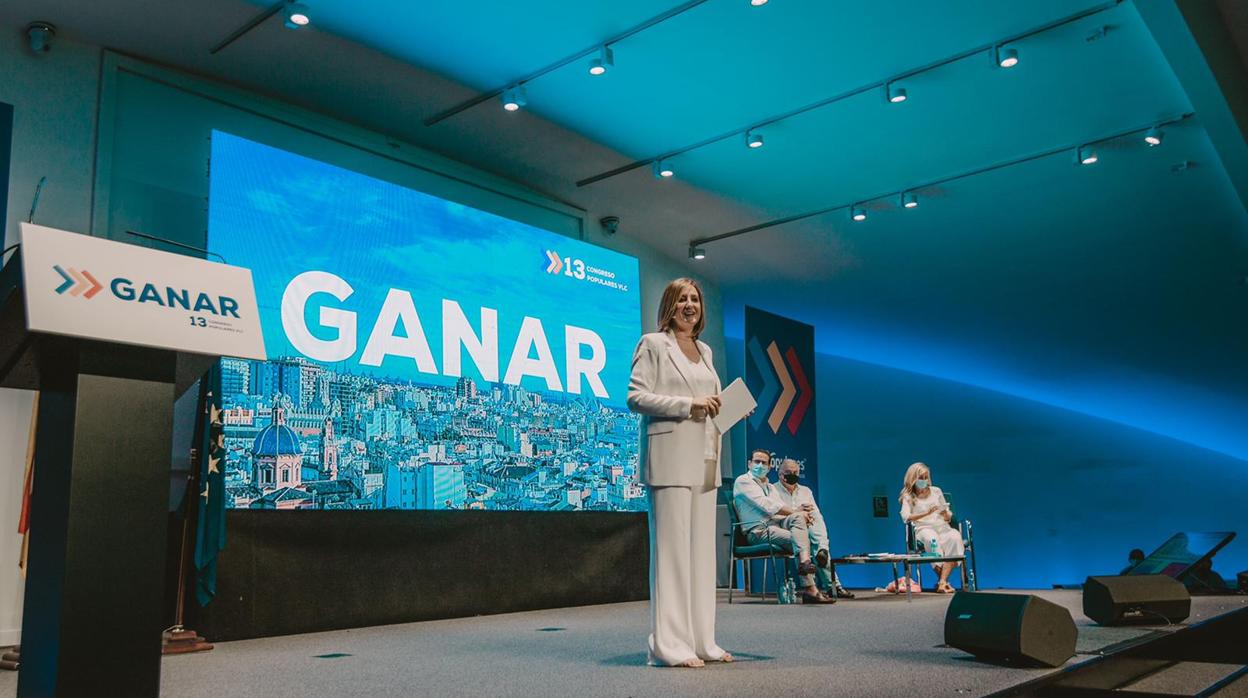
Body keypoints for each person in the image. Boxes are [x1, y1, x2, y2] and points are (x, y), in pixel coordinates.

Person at [627, 278, 733, 668]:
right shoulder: (652, 344)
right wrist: (690, 405)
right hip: (670, 456)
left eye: (696, 299)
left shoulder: (704, 350)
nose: (690, 305)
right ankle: (669, 645)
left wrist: (730, 406)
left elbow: (711, 402)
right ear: (670, 305)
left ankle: (702, 640)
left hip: (705, 457)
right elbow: (636, 397)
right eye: (683, 299)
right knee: (672, 556)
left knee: (701, 557)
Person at [732, 449, 836, 604]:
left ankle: (805, 564)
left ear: (769, 467)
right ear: (749, 463)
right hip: (757, 531)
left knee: (798, 519)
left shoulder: (770, 487)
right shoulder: (743, 481)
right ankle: (811, 588)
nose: (760, 465)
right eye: (757, 462)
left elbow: (777, 513)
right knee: (800, 539)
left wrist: (799, 514)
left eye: (764, 463)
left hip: (775, 526)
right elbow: (767, 505)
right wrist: (796, 511)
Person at [774, 458, 854, 599]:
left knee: (816, 518)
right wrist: (797, 511)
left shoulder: (806, 491)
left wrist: (808, 515)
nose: (792, 474)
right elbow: (774, 513)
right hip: (785, 524)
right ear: (780, 474)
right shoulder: (772, 490)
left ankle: (822, 552)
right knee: (801, 522)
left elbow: (814, 513)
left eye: (795, 472)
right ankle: (833, 586)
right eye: (788, 472)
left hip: (807, 525)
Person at [898, 462, 963, 593]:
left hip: (942, 526)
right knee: (931, 539)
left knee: (955, 536)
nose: (924, 481)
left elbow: (948, 516)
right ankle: (944, 582)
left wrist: (945, 514)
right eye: (921, 478)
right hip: (923, 528)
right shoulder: (908, 496)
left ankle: (942, 582)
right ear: (913, 479)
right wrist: (926, 513)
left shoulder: (936, 491)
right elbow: (906, 517)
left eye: (926, 477)